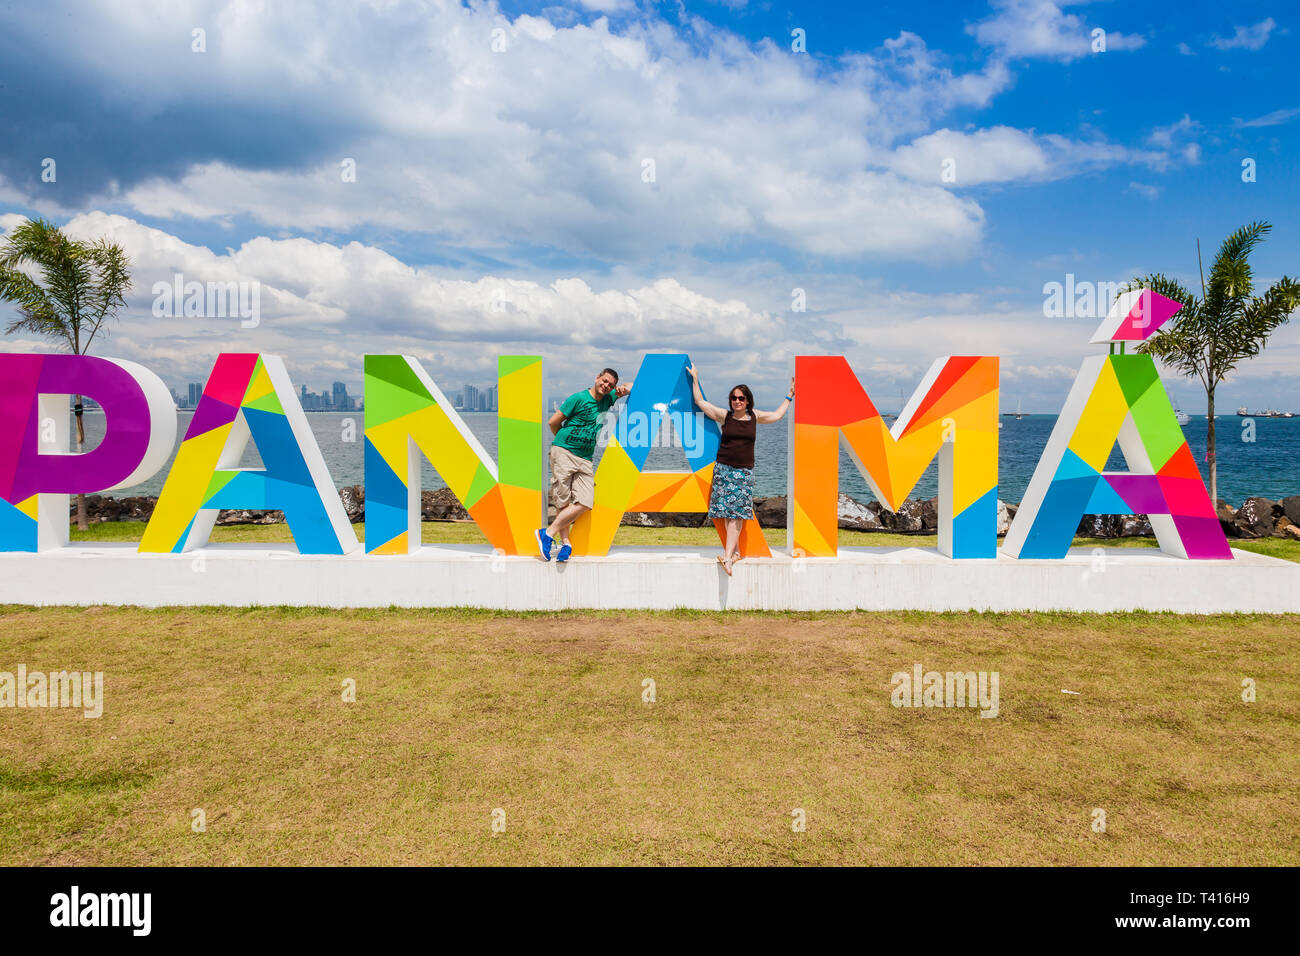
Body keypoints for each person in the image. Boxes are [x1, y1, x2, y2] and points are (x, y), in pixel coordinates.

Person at [686, 365, 794, 576]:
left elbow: (777, 416)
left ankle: (727, 557)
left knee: (735, 515)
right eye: (734, 398)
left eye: (741, 398)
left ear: (748, 401)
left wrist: (789, 395)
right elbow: (700, 402)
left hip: (743, 472)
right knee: (727, 515)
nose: (737, 401)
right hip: (723, 471)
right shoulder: (725, 416)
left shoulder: (755, 417)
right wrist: (696, 379)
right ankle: (733, 553)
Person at [536, 368, 631, 562]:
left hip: (585, 458)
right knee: (563, 500)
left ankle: (547, 533)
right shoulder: (577, 398)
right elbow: (553, 422)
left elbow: (632, 387)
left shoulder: (608, 398)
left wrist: (623, 390)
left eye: (611, 385)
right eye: (604, 381)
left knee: (585, 502)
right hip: (564, 452)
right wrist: (564, 442)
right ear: (597, 378)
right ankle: (566, 544)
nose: (606, 386)